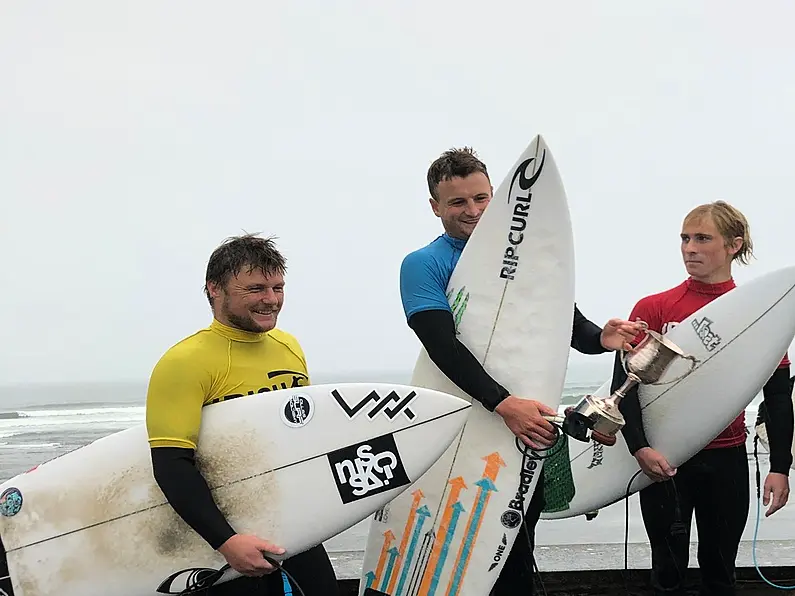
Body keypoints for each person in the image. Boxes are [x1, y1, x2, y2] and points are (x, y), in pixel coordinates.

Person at [398, 146, 644, 595]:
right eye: (458, 202)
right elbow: (442, 349)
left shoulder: (527, 258)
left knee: (511, 554)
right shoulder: (424, 265)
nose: (473, 211)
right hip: (465, 428)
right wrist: (504, 404)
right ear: (435, 207)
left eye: (482, 198)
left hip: (524, 427)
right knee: (454, 553)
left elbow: (568, 326)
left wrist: (601, 339)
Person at [612, 200, 793, 596]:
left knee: (720, 573)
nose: (689, 248)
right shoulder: (655, 309)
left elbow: (778, 395)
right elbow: (623, 387)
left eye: (702, 238)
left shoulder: (757, 314)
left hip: (727, 458)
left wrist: (780, 466)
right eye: (685, 238)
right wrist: (640, 448)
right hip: (664, 460)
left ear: (733, 245)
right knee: (668, 574)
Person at [145, 234, 339, 596]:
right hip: (220, 540)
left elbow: (301, 437)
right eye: (255, 288)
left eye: (277, 287)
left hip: (292, 528)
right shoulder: (185, 363)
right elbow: (171, 465)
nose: (271, 299)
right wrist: (227, 542)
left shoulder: (289, 348)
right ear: (214, 289)